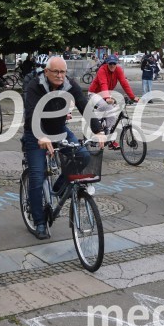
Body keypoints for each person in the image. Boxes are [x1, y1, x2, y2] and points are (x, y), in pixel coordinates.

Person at [22, 56, 103, 239]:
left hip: (59, 130)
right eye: (56, 72)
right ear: (46, 72)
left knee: (83, 156)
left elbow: (84, 105)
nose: (60, 75)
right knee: (36, 176)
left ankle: (58, 187)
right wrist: (40, 136)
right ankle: (40, 222)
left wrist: (98, 130)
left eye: (63, 72)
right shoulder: (35, 86)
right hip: (36, 134)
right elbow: (31, 113)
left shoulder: (69, 84)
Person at [88, 54, 138, 149]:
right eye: (110, 63)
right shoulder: (102, 70)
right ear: (107, 63)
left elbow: (124, 83)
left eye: (114, 63)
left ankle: (109, 139)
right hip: (94, 93)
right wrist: (107, 97)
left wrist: (132, 97)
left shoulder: (118, 70)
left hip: (106, 93)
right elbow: (103, 83)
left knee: (112, 114)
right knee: (106, 106)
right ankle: (95, 128)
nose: (112, 65)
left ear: (116, 63)